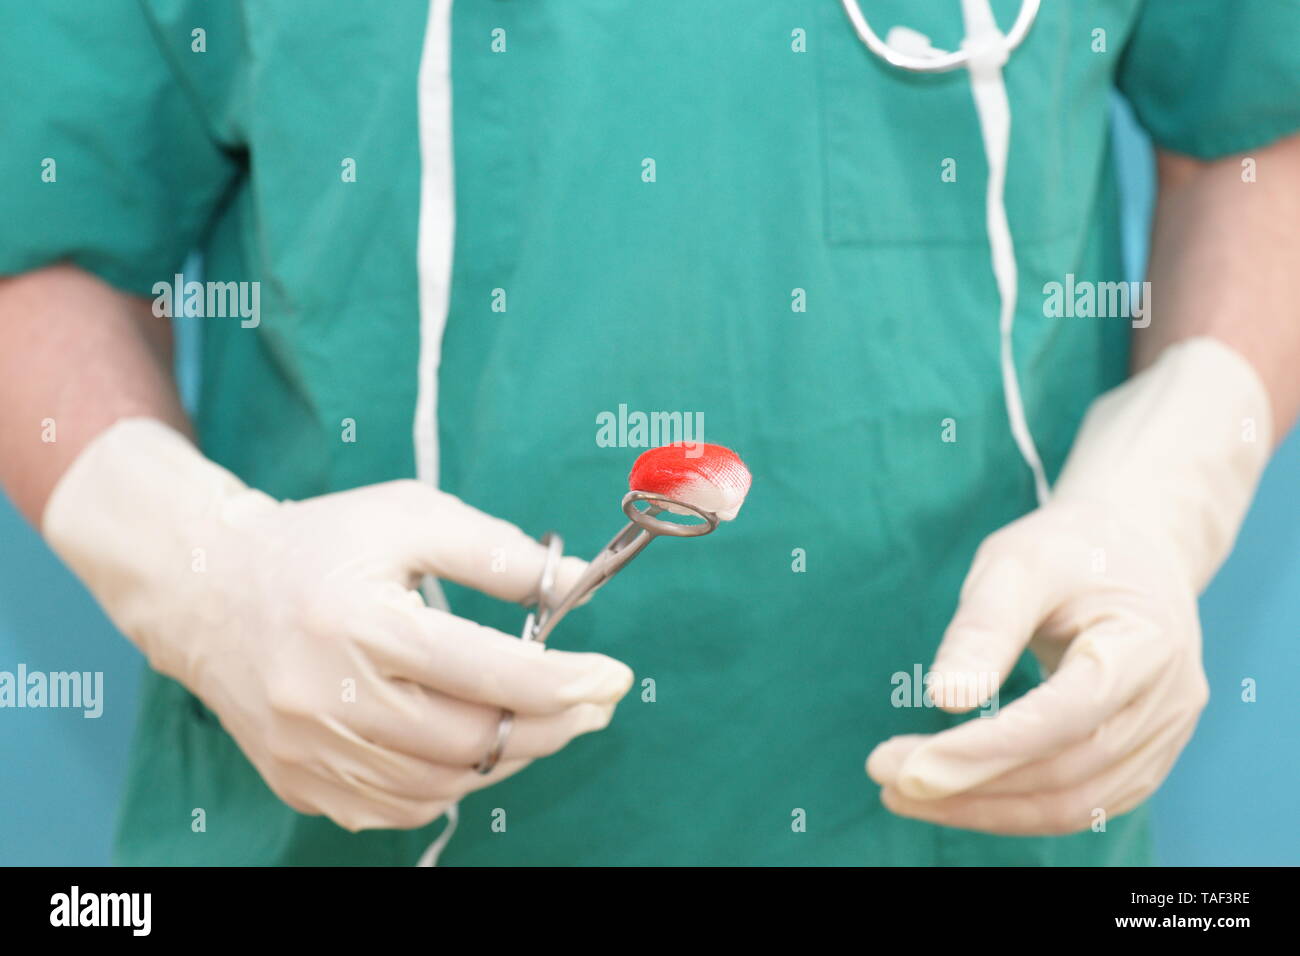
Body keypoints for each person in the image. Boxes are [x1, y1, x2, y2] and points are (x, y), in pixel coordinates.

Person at [1, 0, 1297, 866]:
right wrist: (197, 569)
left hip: (969, 822)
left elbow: (1258, 128)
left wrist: (1169, 480)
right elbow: (34, 227)